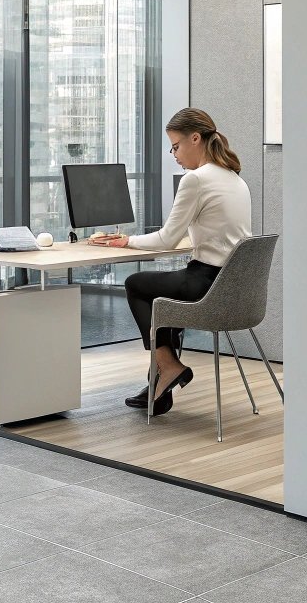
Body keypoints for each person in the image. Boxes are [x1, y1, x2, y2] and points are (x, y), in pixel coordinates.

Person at [91, 107, 251, 416]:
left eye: (176, 146)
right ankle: (159, 388)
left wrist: (126, 241)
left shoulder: (197, 180)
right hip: (233, 287)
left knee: (136, 284)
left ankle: (167, 366)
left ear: (195, 139)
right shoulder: (233, 177)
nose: (174, 154)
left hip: (206, 284)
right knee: (164, 291)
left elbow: (166, 239)